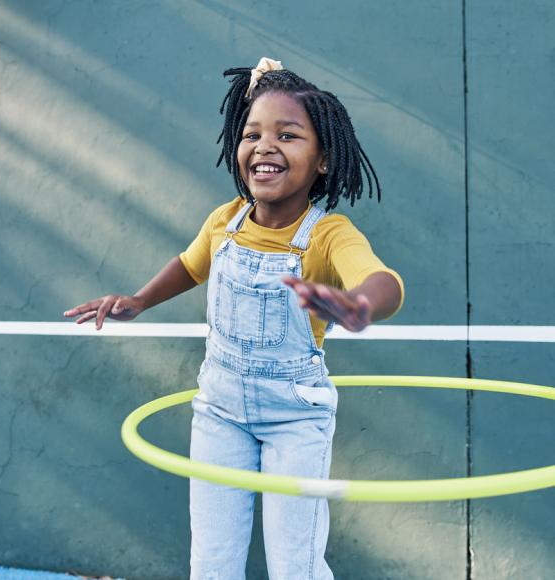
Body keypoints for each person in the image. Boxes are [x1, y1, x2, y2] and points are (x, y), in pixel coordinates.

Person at [64, 57, 404, 580]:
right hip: (219, 411)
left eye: (287, 135)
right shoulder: (225, 220)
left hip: (295, 419)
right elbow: (190, 265)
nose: (265, 146)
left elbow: (383, 281)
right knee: (213, 562)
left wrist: (360, 306)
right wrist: (139, 300)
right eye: (252, 133)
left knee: (297, 566)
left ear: (323, 161)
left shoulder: (328, 234)